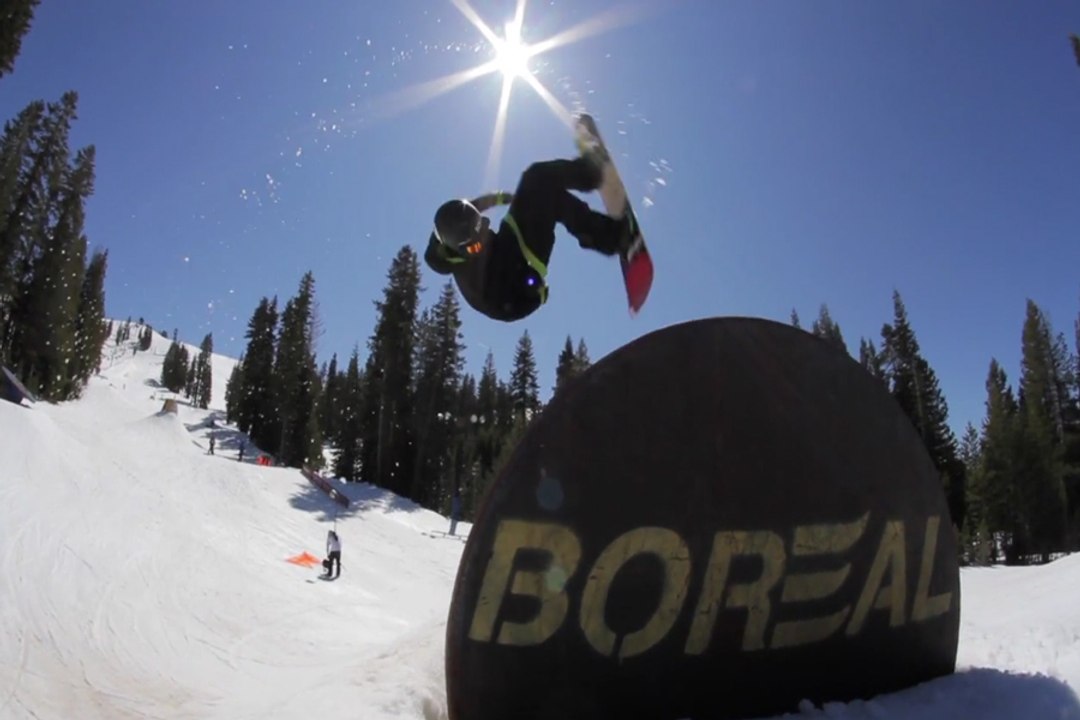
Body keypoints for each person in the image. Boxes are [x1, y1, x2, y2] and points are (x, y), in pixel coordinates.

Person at [424, 153, 635, 323]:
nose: (481, 242)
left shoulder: (451, 223)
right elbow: (504, 312)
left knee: (536, 177)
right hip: (521, 264)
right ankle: (614, 237)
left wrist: (498, 198)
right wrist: (536, 293)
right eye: (475, 247)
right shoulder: (477, 287)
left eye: (483, 230)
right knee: (550, 199)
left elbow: (469, 208)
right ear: (459, 252)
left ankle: (591, 173)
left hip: (508, 238)